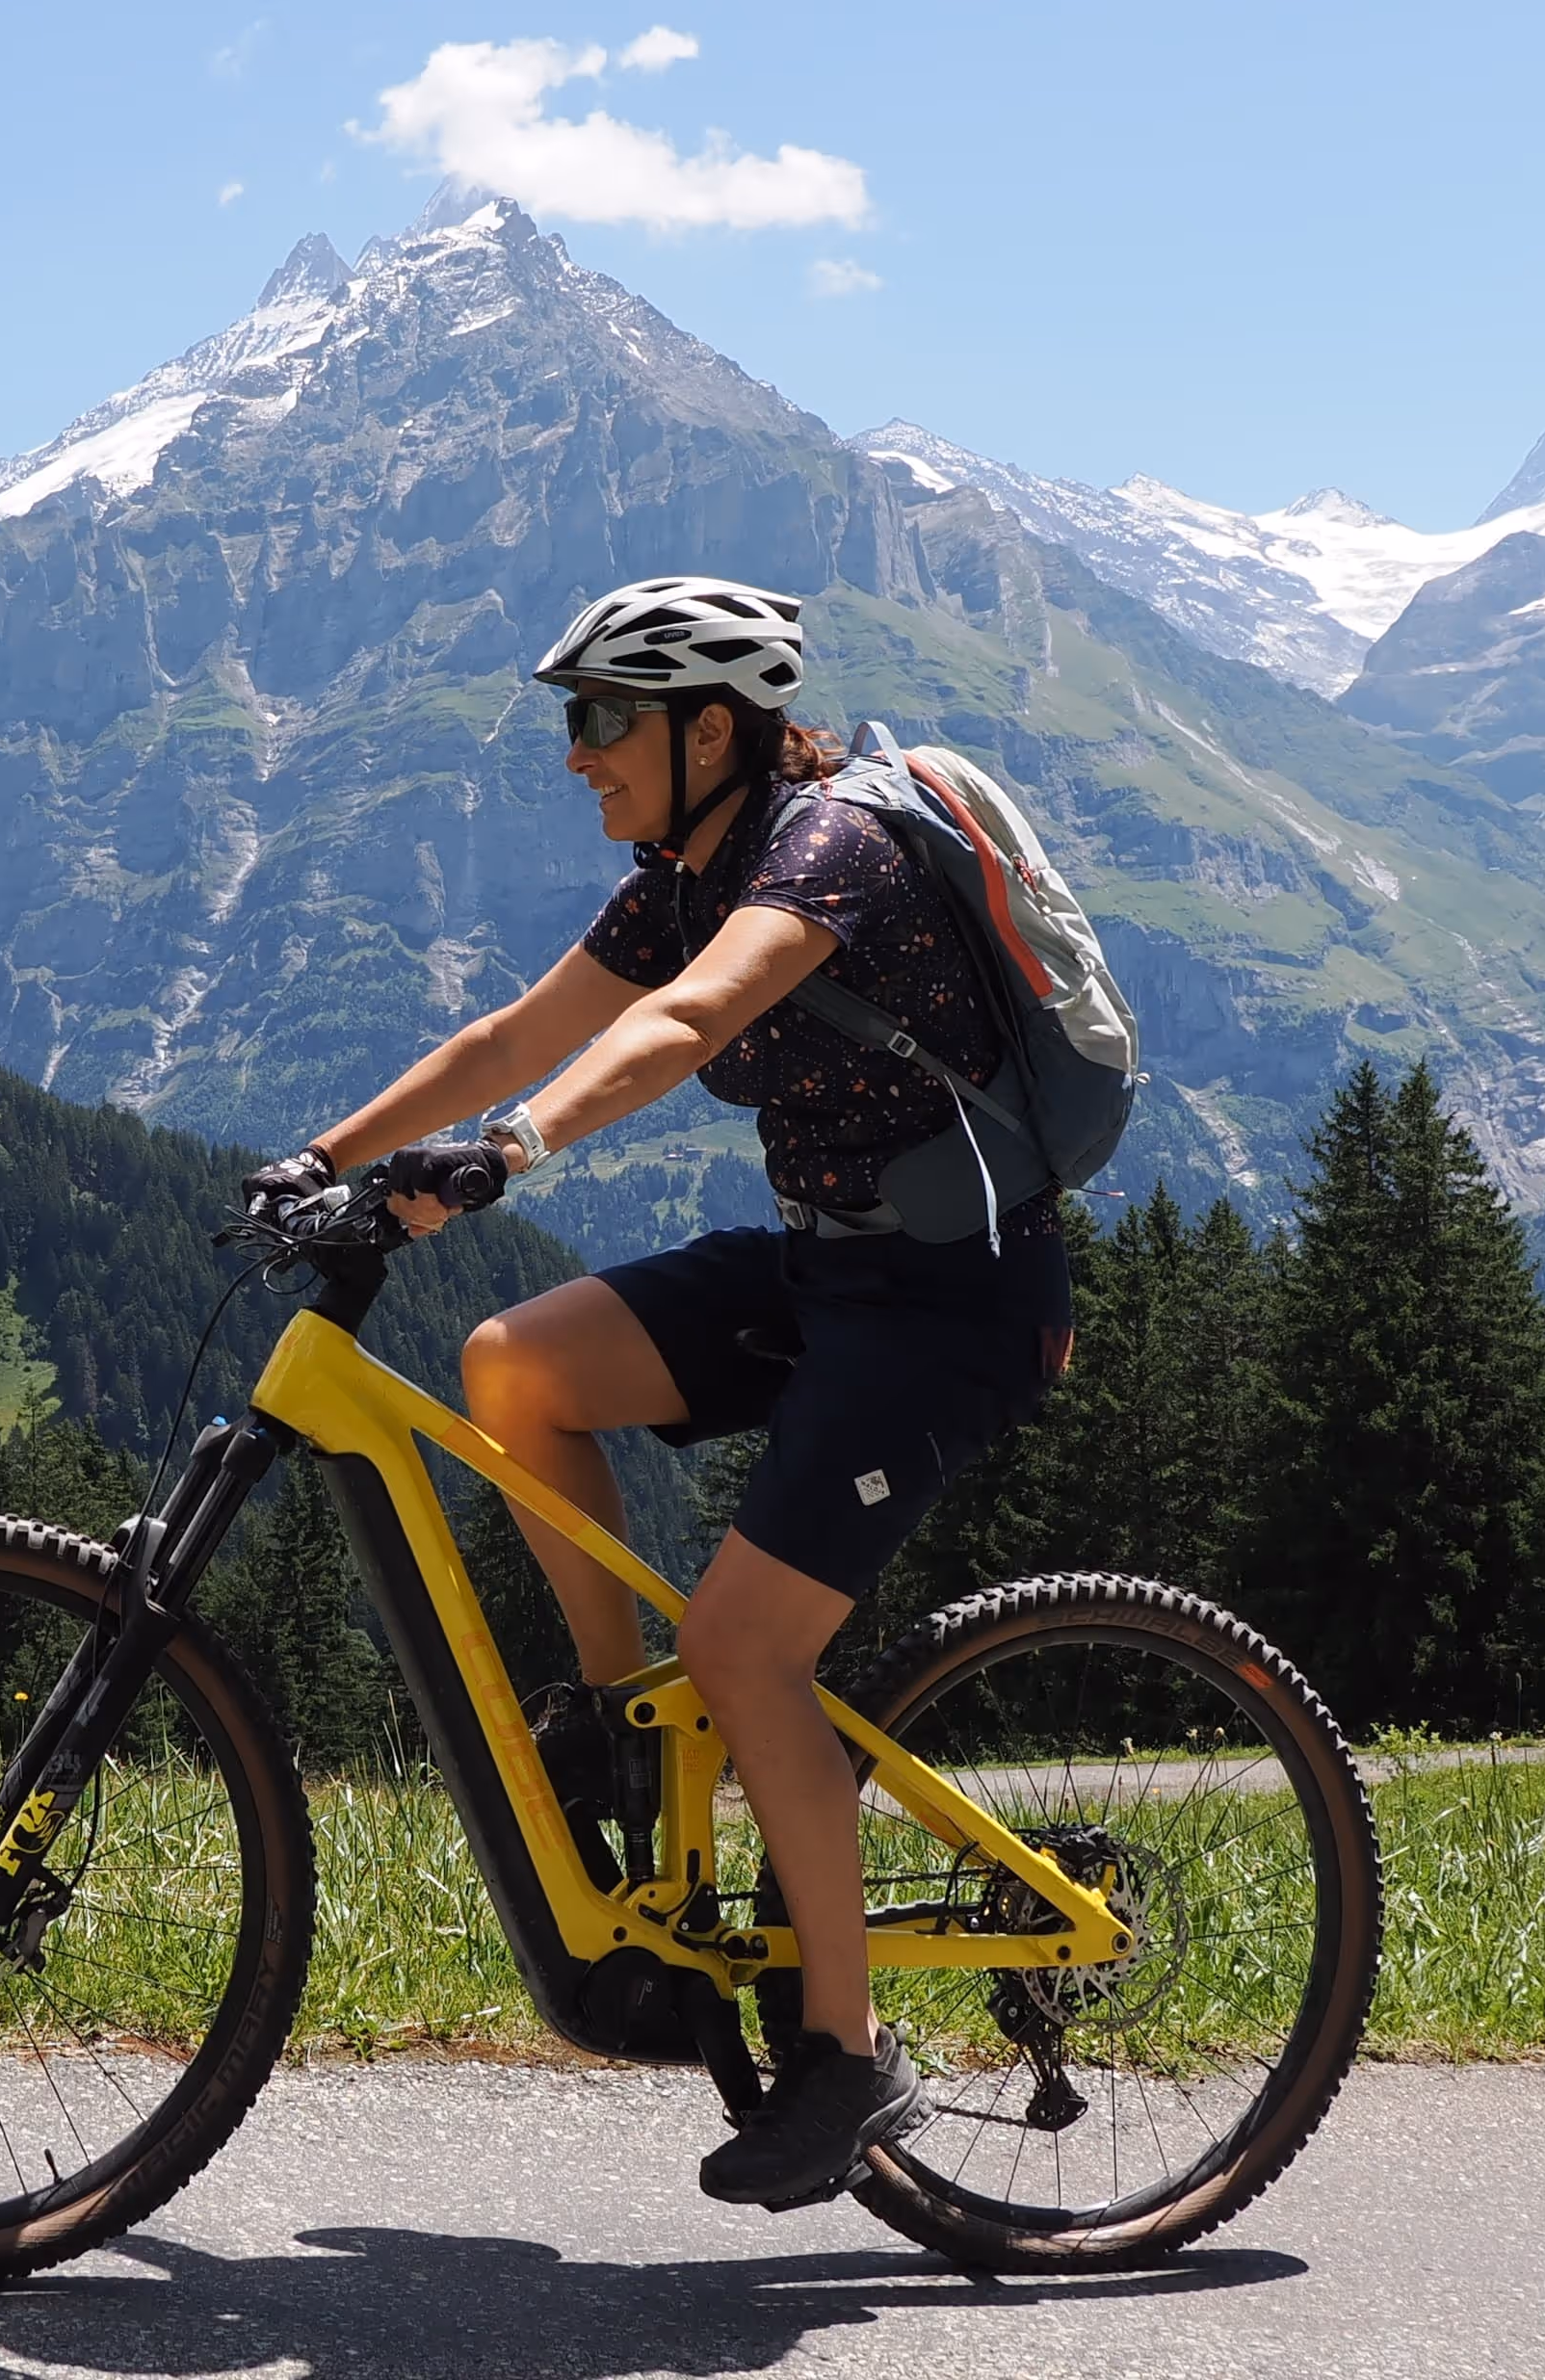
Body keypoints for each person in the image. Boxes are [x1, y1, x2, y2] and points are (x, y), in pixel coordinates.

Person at [249, 575, 1078, 2209]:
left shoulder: (821, 848)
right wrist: (324, 1157)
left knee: (749, 1645)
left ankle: (844, 2059)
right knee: (516, 1365)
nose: (577, 756)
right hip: (830, 1269)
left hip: (951, 1304)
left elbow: (698, 1021)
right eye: (574, 719)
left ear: (716, 729)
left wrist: (510, 1154)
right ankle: (623, 1732)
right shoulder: (675, 874)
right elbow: (511, 1030)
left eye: (601, 720)